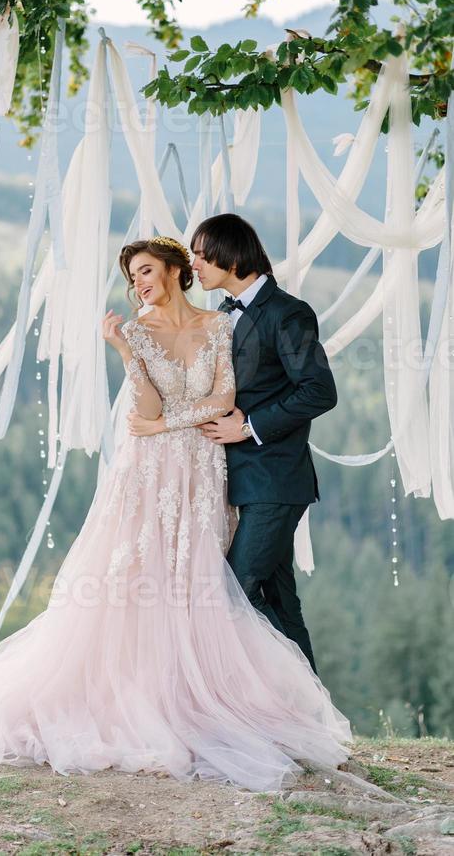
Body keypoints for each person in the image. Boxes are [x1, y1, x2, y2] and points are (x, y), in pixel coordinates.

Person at [0, 236, 351, 790]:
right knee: (141, 578)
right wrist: (125, 352)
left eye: (145, 270)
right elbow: (144, 409)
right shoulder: (136, 332)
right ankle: (153, 700)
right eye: (131, 275)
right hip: (150, 473)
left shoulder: (219, 326)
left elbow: (223, 400)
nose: (138, 283)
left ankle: (242, 701)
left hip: (204, 470)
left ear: (172, 271)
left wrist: (166, 425)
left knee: (205, 581)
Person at [191, 214, 338, 674]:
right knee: (278, 601)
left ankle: (263, 711)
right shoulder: (222, 316)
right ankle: (311, 718)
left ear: (230, 254)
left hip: (276, 478)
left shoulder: (288, 313)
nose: (194, 263)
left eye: (200, 253)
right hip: (243, 483)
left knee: (232, 591)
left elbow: (319, 391)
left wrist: (249, 426)